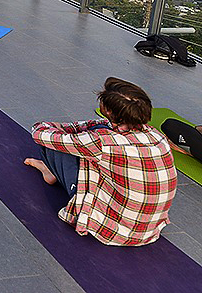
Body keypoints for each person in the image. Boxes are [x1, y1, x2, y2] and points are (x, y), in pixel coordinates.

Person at [24, 77, 177, 246]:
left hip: (114, 230)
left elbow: (39, 132)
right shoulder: (156, 135)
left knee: (56, 146)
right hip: (148, 230)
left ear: (110, 112)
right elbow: (101, 126)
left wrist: (64, 128)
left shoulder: (104, 142)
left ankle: (52, 173)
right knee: (92, 137)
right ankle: (54, 171)